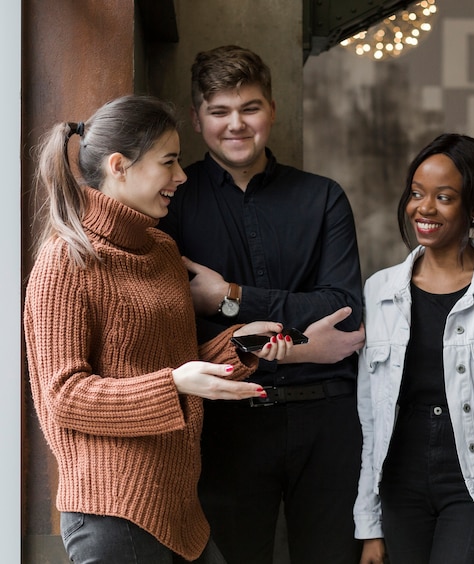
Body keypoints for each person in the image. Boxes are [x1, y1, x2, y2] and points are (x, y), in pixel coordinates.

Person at [24, 94, 294, 564]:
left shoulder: (162, 250)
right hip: (112, 512)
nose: (182, 175)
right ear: (119, 166)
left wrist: (241, 343)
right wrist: (172, 384)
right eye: (168, 161)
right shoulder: (64, 262)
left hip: (178, 509)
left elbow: (178, 366)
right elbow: (63, 398)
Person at [158, 45, 364, 564]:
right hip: (227, 421)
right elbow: (175, 318)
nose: (237, 125)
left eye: (249, 108)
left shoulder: (323, 197)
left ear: (271, 109)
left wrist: (231, 297)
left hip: (327, 419)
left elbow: (343, 309)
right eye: (219, 111)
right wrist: (299, 345)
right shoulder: (172, 200)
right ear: (196, 118)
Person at [354, 133, 474, 564]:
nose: (424, 208)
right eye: (417, 194)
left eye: (444, 197)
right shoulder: (380, 290)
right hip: (400, 481)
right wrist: (370, 524)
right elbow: (372, 415)